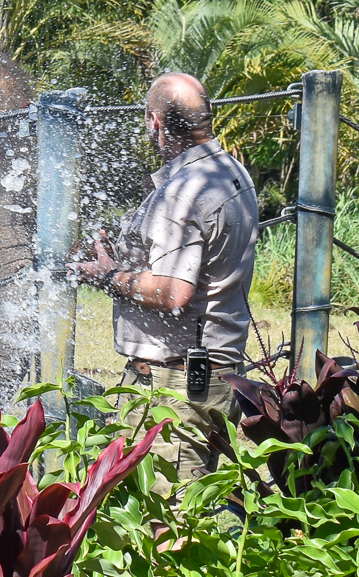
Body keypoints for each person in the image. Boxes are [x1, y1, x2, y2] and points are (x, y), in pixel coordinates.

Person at [70, 72, 259, 472]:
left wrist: (106, 276)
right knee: (196, 512)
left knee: (166, 521)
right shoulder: (231, 172)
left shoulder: (183, 191)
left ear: (154, 121)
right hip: (215, 377)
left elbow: (174, 291)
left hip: (173, 389)